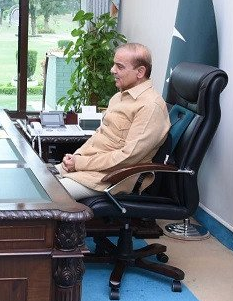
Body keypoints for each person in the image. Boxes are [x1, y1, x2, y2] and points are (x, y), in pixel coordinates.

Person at [57, 42, 170, 200]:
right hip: (90, 168)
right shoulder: (119, 97)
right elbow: (100, 136)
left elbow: (127, 157)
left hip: (110, 178)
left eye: (120, 66)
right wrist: (76, 157)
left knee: (45, 194)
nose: (112, 70)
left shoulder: (150, 107)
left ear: (140, 72)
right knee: (36, 178)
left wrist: (80, 163)